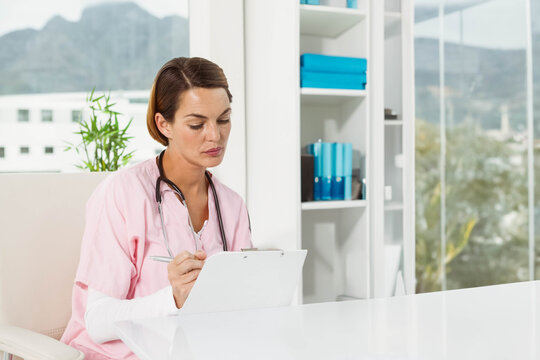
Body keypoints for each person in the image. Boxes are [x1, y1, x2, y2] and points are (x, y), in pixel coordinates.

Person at [61, 57, 252, 359]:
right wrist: (173, 298)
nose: (215, 135)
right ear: (165, 124)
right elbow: (97, 321)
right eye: (197, 124)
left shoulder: (231, 205)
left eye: (224, 119)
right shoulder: (122, 193)